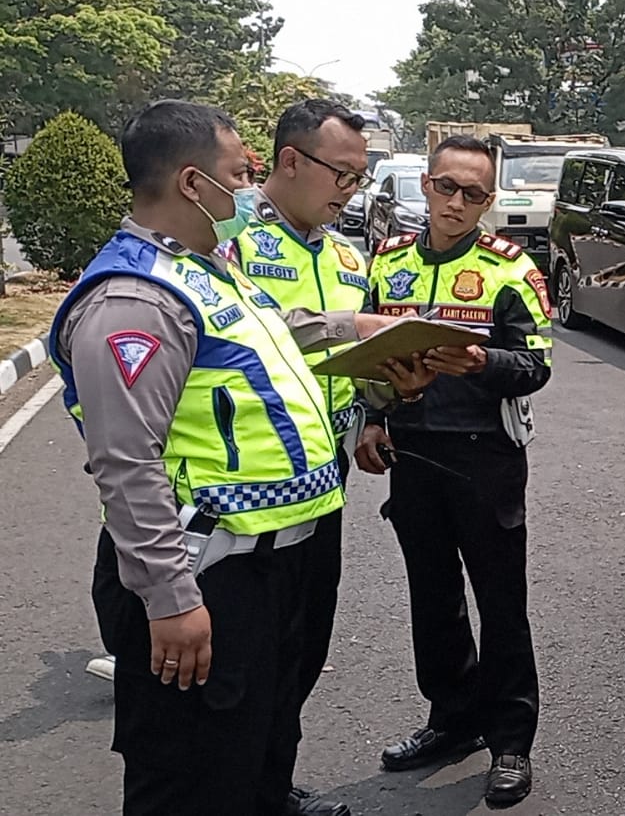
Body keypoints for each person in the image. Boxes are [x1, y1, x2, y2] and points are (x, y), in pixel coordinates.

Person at [48, 99, 431, 816]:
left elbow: (275, 330)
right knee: (190, 771)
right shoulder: (134, 298)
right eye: (240, 172)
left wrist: (367, 326)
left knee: (248, 745)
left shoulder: (204, 268)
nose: (250, 188)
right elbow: (127, 464)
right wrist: (170, 599)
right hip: (207, 571)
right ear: (193, 183)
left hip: (269, 565)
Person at [358, 134, 554, 808]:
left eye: (473, 194)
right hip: (411, 453)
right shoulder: (385, 264)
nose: (456, 203)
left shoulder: (510, 268)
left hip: (485, 456)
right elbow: (368, 361)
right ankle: (451, 718)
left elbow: (537, 363)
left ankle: (509, 741)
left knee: (501, 602)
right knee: (431, 595)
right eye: (446, 187)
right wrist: (374, 420)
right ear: (426, 184)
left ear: (488, 200)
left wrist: (481, 363)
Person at [223, 99, 376, 816]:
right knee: (240, 663)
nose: (350, 192)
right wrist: (347, 326)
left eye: (360, 178)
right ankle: (236, 789)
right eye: (342, 175)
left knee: (302, 647)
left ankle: (269, 785)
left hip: (325, 477)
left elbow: (354, 357)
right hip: (243, 486)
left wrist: (385, 390)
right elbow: (251, 331)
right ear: (290, 161)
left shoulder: (347, 254)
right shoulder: (230, 239)